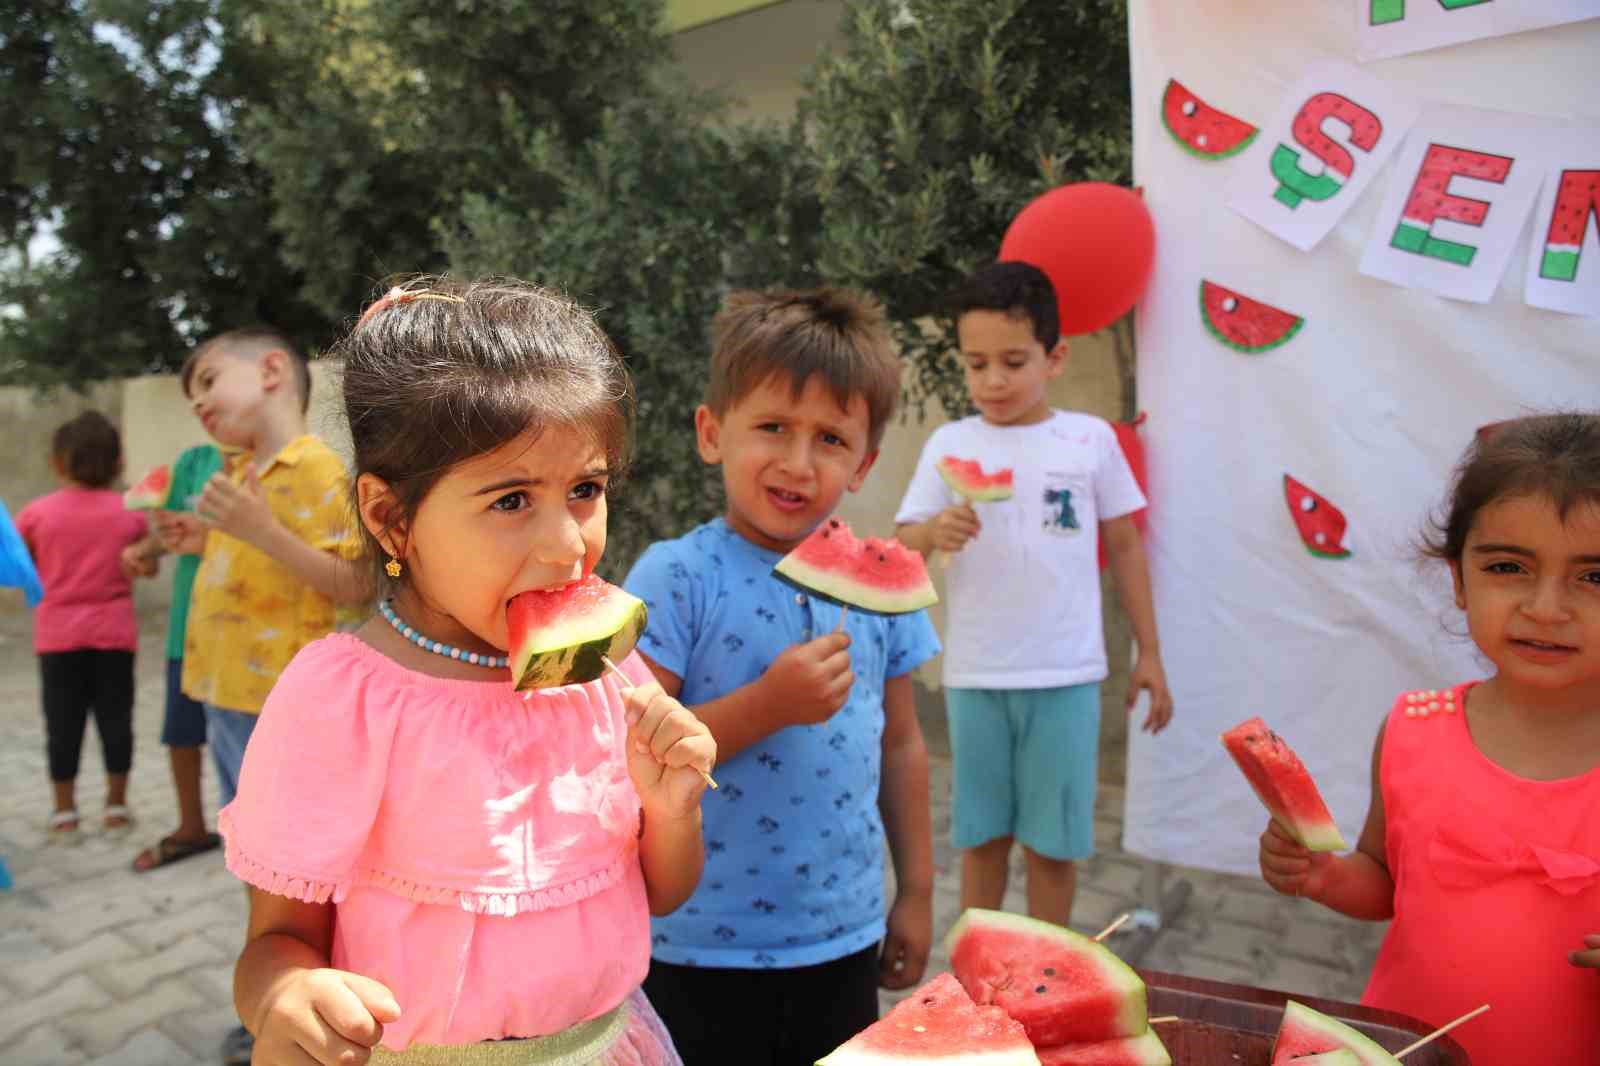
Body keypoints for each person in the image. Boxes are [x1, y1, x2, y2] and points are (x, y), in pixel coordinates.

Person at [221, 278, 712, 1066]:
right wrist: (283, 996)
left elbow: (657, 895)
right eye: (513, 499)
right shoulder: (340, 698)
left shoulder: (612, 678)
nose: (566, 546)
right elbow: (274, 944)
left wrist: (673, 811)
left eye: (585, 490)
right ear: (391, 517)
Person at [624, 287, 941, 1066]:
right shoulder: (676, 577)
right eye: (772, 427)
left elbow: (902, 747)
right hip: (692, 942)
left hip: (841, 934)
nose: (798, 463)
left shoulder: (878, 590)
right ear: (711, 432)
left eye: (830, 439)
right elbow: (631, 757)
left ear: (863, 464)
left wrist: (920, 893)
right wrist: (769, 705)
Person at [1258, 413, 1600, 1063]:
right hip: (1406, 1051)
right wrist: (1324, 873)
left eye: (1596, 577)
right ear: (1458, 580)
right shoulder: (1415, 729)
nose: (1547, 608)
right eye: (1508, 567)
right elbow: (1385, 884)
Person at [894, 261, 1173, 928]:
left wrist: (1150, 653)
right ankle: (975, 978)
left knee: (1055, 845)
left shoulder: (1089, 440)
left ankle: (1048, 971)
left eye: (1013, 361)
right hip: (976, 675)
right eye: (976, 363)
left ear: (1055, 357)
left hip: (1067, 676)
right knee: (981, 837)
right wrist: (936, 529)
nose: (992, 380)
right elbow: (904, 544)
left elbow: (1127, 548)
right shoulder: (950, 443)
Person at [155, 326, 369, 1065]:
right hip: (226, 700)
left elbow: (357, 584)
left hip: (279, 712)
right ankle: (280, 1005)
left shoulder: (318, 473)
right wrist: (202, 537)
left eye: (210, 381)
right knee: (258, 867)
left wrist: (258, 530)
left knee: (289, 877)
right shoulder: (243, 472)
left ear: (274, 370)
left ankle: (294, 1014)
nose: (201, 405)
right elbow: (258, 558)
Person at [17, 411, 154, 842]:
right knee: (116, 720)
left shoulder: (37, 514)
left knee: (62, 723)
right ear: (118, 462)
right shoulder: (130, 514)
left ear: (58, 462)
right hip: (114, 632)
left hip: (57, 635)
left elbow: (23, 567)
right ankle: (115, 808)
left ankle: (65, 813)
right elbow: (142, 567)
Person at [128, 442, 226, 872]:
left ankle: (264, 835)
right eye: (197, 390)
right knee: (181, 732)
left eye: (212, 380)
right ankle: (191, 826)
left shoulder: (283, 462)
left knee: (254, 738)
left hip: (253, 632)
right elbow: (168, 530)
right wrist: (145, 550)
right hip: (188, 625)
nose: (204, 402)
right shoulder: (191, 462)